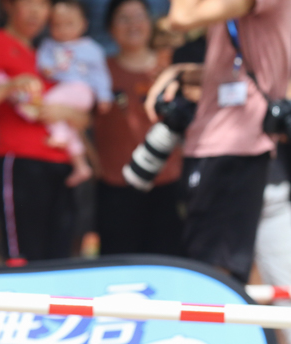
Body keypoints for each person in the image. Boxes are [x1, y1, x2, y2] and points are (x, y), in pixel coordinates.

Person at [145, 0, 291, 283]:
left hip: (231, 151)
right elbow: (243, 71)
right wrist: (182, 73)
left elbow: (180, 17)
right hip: (243, 151)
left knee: (214, 277)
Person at [0, 0, 89, 263]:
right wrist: (12, 85)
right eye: (29, 3)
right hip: (20, 160)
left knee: (59, 257)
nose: (36, 12)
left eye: (43, 5)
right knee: (23, 255)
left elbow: (84, 118)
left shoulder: (50, 52)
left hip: (62, 165)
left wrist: (65, 113)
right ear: (8, 6)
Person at [92, 0, 184, 255]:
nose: (133, 25)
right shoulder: (100, 69)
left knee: (168, 260)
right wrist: (93, 162)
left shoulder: (172, 66)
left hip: (168, 183)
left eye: (139, 17)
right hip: (115, 184)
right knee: (117, 263)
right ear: (110, 28)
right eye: (124, 18)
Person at [33, 0, 113, 186]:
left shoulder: (91, 49)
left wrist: (104, 96)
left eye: (69, 24)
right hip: (65, 91)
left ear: (84, 24)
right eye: (57, 25)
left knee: (48, 103)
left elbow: (100, 75)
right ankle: (81, 165)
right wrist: (48, 70)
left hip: (80, 91)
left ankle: (59, 135)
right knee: (71, 130)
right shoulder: (49, 45)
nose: (63, 29)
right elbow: (42, 64)